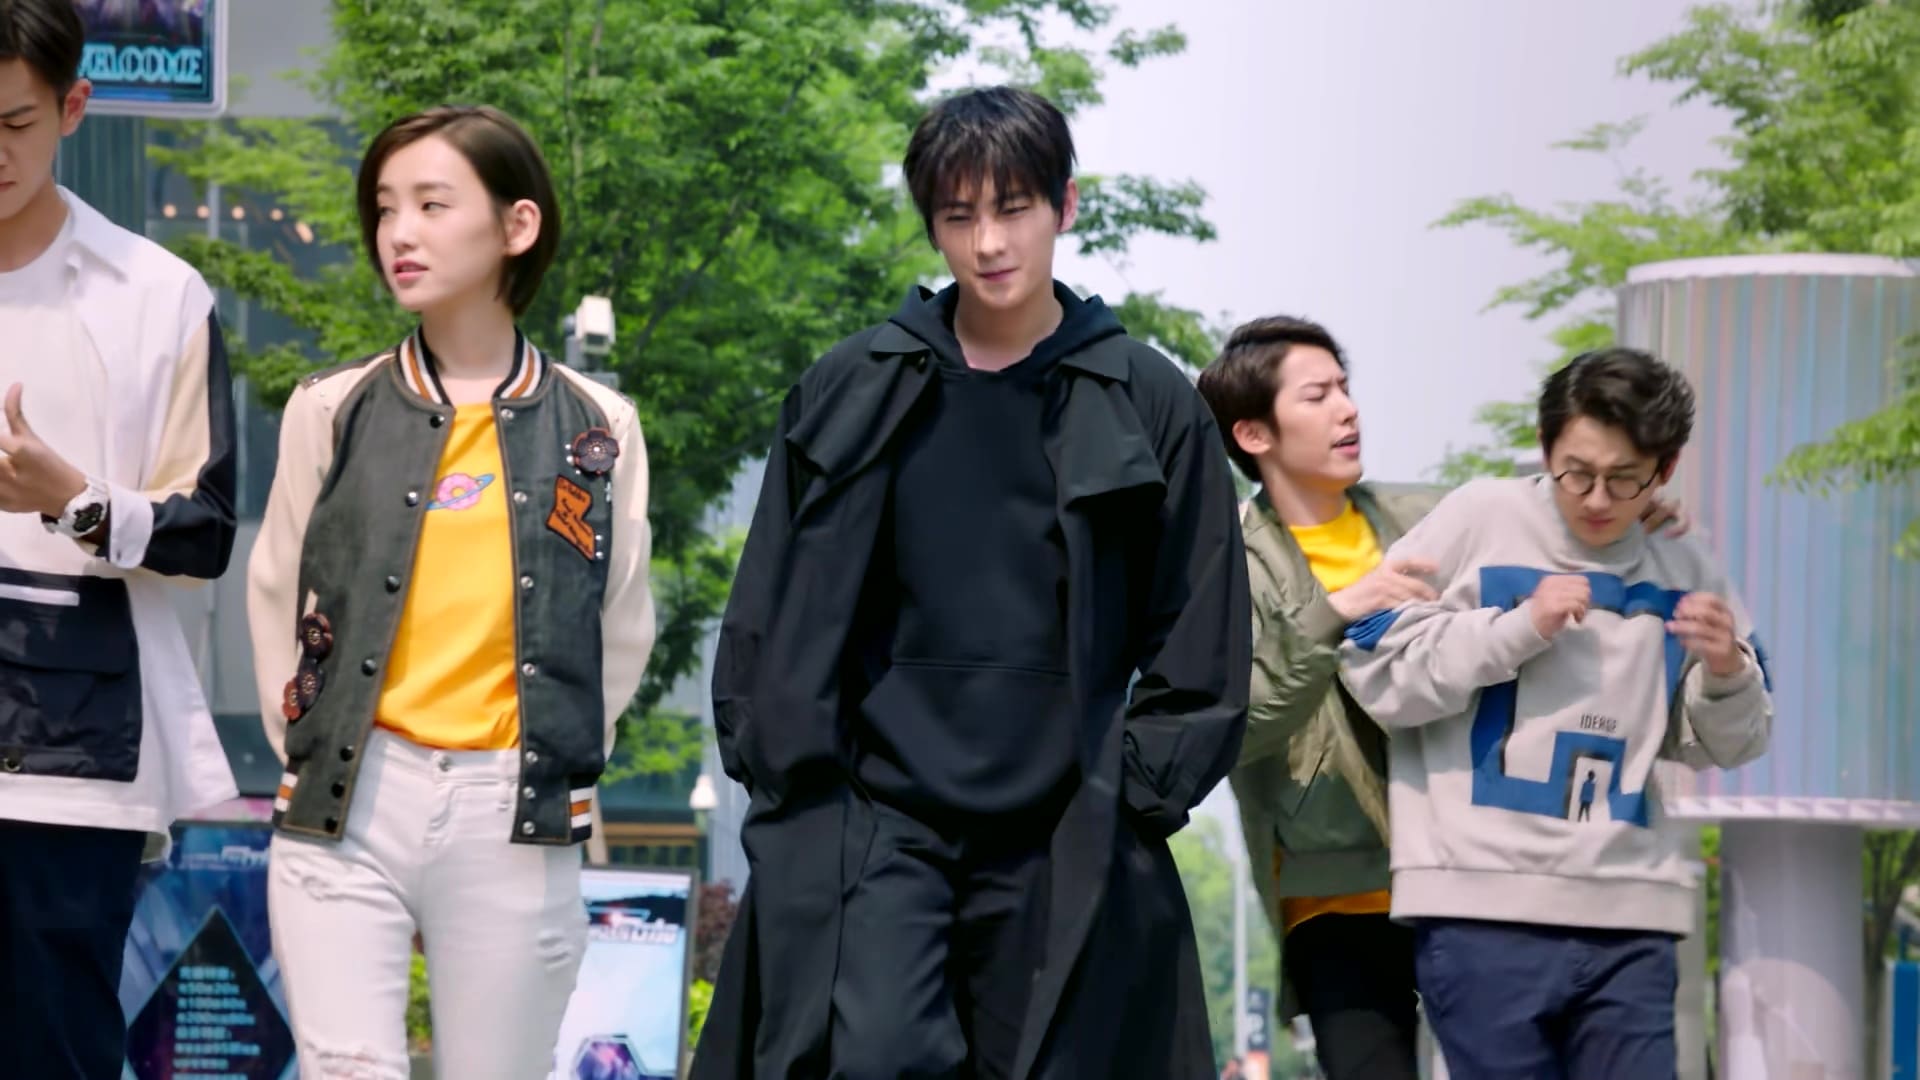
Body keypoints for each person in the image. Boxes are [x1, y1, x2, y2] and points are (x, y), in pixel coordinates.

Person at [692, 85, 1249, 1080]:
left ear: (1064, 206)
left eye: (1013, 208)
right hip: (881, 816)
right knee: (875, 1058)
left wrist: (1134, 793)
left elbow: (1201, 630)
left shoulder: (1148, 399)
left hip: (1068, 823)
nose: (988, 242)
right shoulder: (852, 386)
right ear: (932, 226)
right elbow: (767, 606)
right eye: (958, 216)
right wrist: (783, 774)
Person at [246, 105, 655, 1080]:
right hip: (348, 799)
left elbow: (619, 626)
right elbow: (276, 597)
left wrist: (552, 763)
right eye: (386, 207)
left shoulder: (599, 425)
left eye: (433, 204)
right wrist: (308, 746)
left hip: (512, 807)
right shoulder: (329, 409)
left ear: (517, 225)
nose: (400, 232)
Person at [1195, 320, 1690, 1080]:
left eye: (1346, 388)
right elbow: (1234, 722)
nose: (1347, 410)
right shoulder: (1225, 565)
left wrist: (1635, 511)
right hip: (1338, 890)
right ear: (1254, 433)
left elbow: (1560, 518)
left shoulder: (1435, 516)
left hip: (1473, 873)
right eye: (1318, 396)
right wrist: (1334, 614)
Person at [1340, 347, 1772, 1078]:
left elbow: (1729, 743)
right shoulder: (1479, 515)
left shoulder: (1685, 561)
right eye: (1578, 473)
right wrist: (1519, 627)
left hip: (1633, 917)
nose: (1598, 499)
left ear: (1664, 469)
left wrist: (1728, 669)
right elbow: (1373, 667)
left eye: (1625, 478)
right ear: (1545, 448)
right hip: (1478, 907)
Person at [0, 2, 239, 1076]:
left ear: (72, 109)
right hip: (77, 732)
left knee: (52, 1041)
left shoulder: (155, 295)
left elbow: (208, 530)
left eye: (14, 123)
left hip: (72, 755)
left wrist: (75, 499)